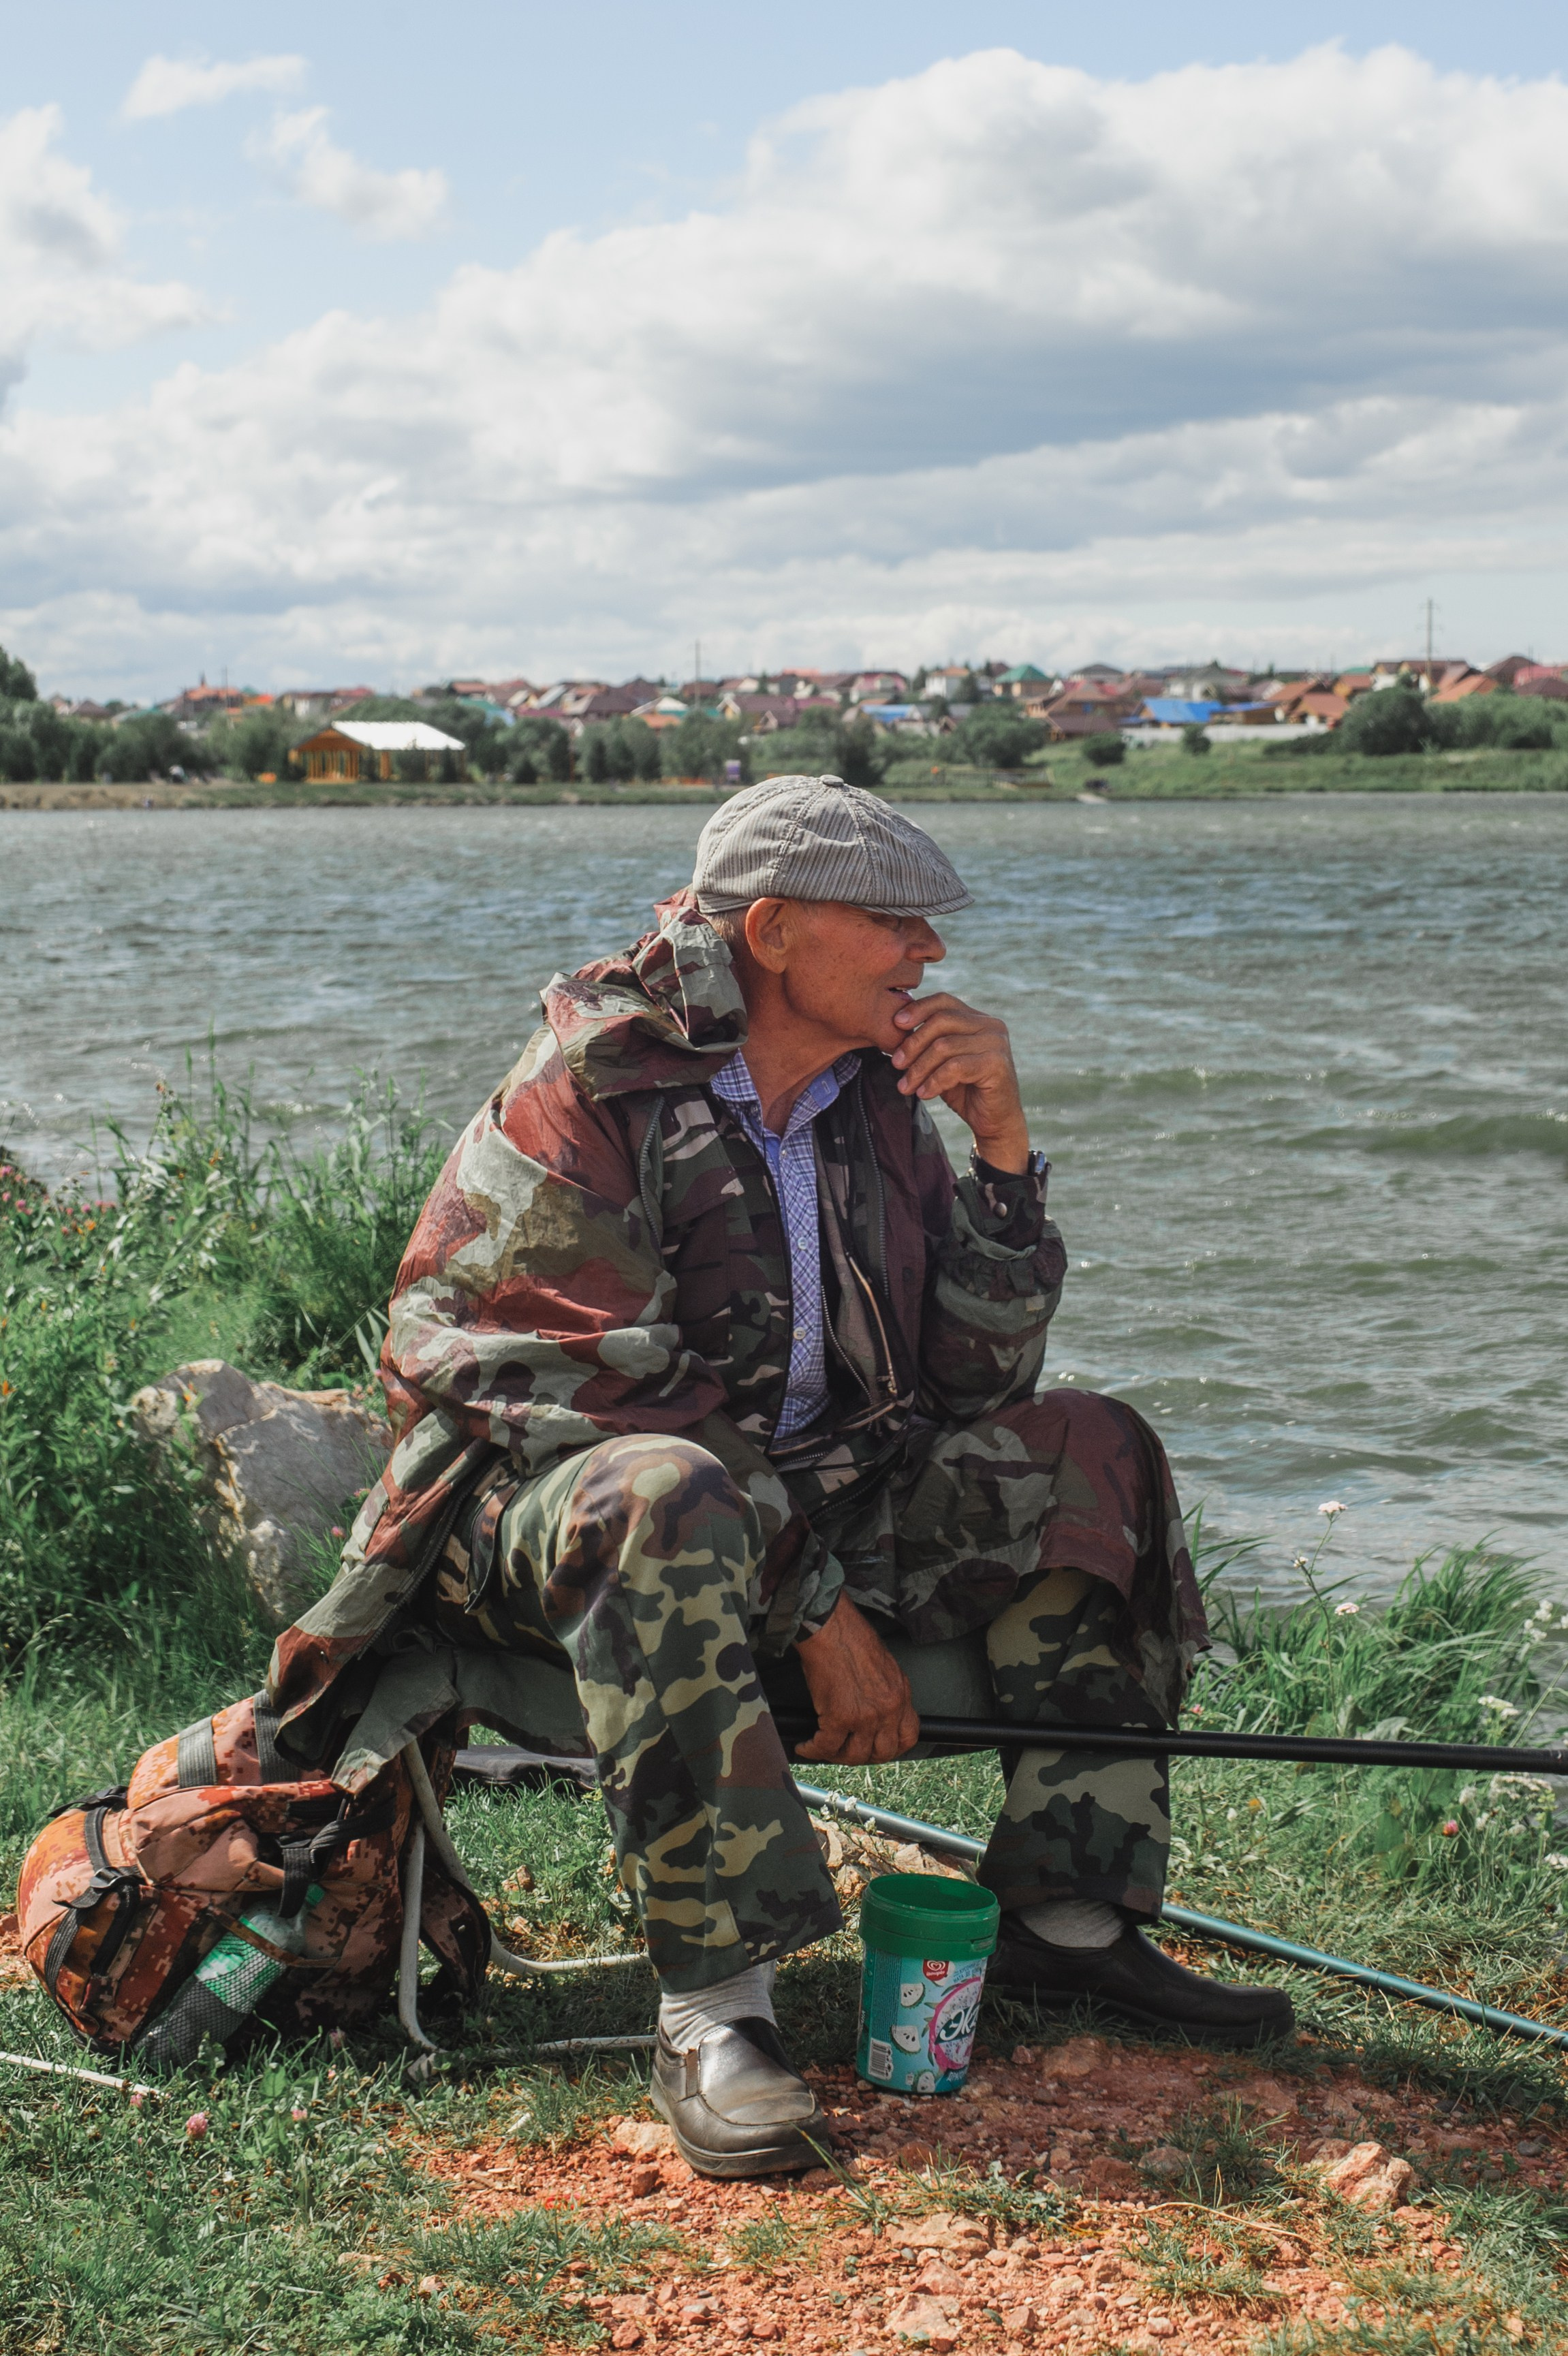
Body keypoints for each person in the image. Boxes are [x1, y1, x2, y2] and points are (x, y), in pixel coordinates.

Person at [268, 773, 1290, 2179]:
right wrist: (816, 1609)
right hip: (536, 1509)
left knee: (1088, 1444)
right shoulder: (587, 1083)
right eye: (895, 924)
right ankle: (715, 2010)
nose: (927, 954)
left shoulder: (872, 1094)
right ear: (771, 930)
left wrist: (1001, 1155)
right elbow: (590, 1394)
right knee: (666, 1490)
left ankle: (1069, 1916)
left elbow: (973, 1387)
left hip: (797, 1500)